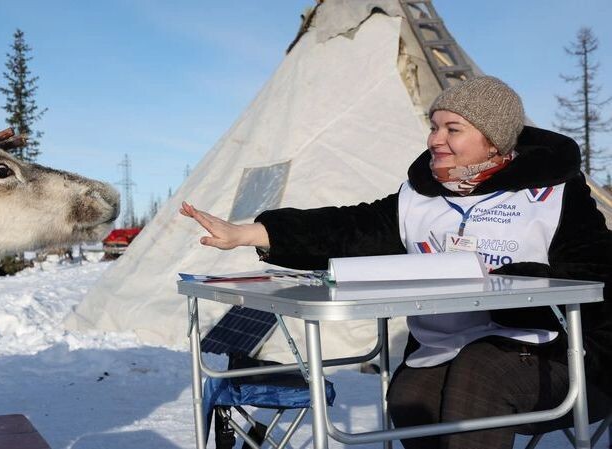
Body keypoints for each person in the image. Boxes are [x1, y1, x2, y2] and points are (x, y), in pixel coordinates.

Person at [180, 76, 612, 449]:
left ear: (493, 139)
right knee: (410, 392)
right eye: (433, 126)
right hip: (446, 346)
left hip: (562, 352)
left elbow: (596, 272)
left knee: (480, 372)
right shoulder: (421, 195)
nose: (434, 139)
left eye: (452, 128)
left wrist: (500, 286)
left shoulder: (555, 195)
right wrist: (250, 234)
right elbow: (350, 227)